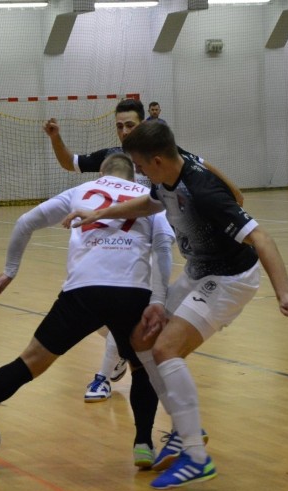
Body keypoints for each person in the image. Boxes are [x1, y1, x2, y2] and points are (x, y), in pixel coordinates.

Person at [64, 121, 288, 490]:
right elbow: (151, 202)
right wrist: (101, 214)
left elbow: (261, 236)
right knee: (141, 340)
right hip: (200, 271)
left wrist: (285, 293)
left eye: (143, 167)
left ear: (158, 160)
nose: (140, 174)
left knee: (166, 348)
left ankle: (196, 457)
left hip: (230, 279)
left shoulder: (203, 190)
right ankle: (184, 429)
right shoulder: (167, 175)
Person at [0, 153, 175, 470]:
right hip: (131, 291)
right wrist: (158, 299)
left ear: (101, 173)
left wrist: (9, 272)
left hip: (83, 290)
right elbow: (164, 249)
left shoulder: (82, 191)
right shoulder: (147, 198)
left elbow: (25, 223)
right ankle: (143, 443)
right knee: (142, 366)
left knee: (29, 362)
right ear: (133, 176)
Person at [43, 97, 245, 402]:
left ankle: (104, 377)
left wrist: (225, 201)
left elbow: (222, 186)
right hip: (117, 243)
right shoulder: (112, 157)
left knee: (135, 314)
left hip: (155, 242)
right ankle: (124, 355)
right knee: (109, 314)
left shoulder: (165, 155)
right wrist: (56, 138)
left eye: (130, 125)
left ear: (145, 126)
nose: (124, 132)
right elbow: (68, 162)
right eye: (120, 126)